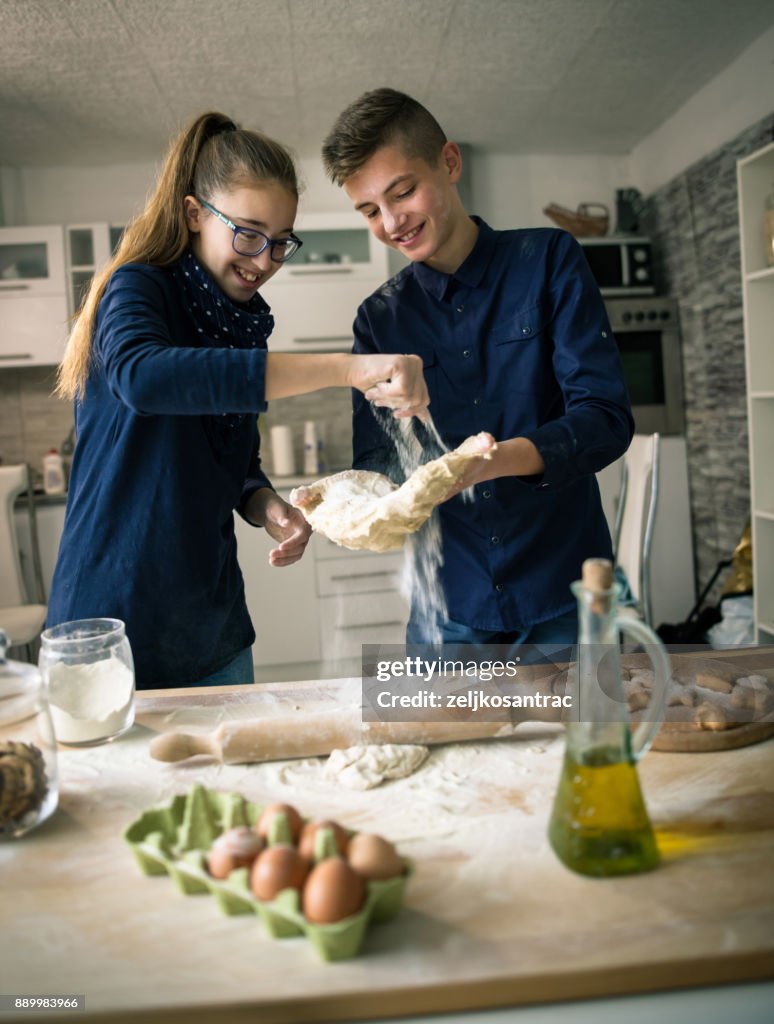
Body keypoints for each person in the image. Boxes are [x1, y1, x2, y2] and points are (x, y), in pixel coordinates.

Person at [48, 110, 428, 690]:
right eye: (248, 234)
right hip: (113, 623)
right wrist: (346, 369)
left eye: (280, 244)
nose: (263, 261)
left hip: (213, 625)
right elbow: (144, 378)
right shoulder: (139, 286)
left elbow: (230, 464)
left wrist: (267, 506)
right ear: (195, 214)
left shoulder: (242, 324)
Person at [321, 88, 634, 649]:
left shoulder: (549, 261)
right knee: (435, 737)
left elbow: (606, 418)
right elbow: (377, 458)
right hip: (447, 606)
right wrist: (340, 504)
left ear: (449, 162)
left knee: (585, 738)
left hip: (564, 592)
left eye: (403, 192)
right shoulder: (378, 321)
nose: (392, 222)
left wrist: (488, 464)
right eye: (369, 210)